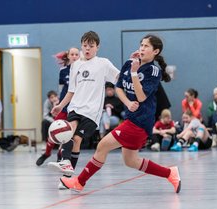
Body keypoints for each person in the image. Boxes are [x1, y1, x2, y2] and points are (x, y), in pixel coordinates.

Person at [60, 34, 181, 194]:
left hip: (140, 122)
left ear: (155, 51)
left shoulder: (153, 71)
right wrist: (127, 103)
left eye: (146, 46)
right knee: (130, 161)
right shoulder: (130, 64)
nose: (142, 48)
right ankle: (170, 173)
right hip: (131, 118)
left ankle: (79, 182)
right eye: (141, 44)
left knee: (102, 146)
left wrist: (134, 74)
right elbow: (118, 88)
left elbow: (141, 96)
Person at [47, 31, 120, 190]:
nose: (87, 49)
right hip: (75, 107)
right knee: (69, 133)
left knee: (77, 140)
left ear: (97, 47)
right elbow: (71, 90)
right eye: (85, 46)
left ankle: (67, 176)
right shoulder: (76, 65)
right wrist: (60, 105)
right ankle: (66, 169)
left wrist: (133, 74)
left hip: (92, 112)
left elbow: (118, 79)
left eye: (91, 46)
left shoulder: (103, 63)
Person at [36, 47, 80, 166]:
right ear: (69, 56)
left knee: (68, 135)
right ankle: (46, 153)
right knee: (54, 131)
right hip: (65, 106)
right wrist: (58, 104)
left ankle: (61, 155)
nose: (75, 56)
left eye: (77, 54)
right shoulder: (63, 71)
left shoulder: (83, 70)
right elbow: (61, 90)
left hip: (77, 108)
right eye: (72, 54)